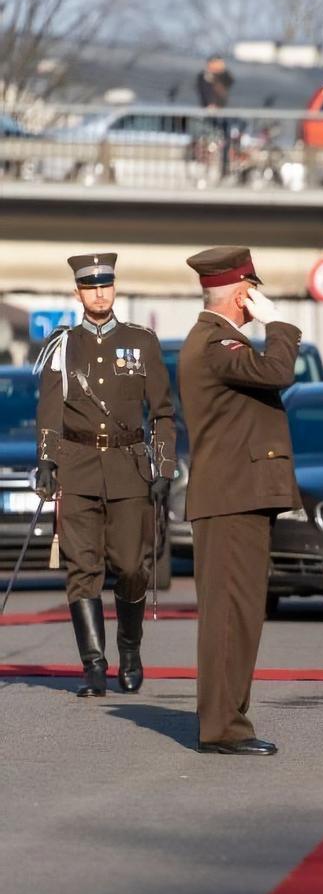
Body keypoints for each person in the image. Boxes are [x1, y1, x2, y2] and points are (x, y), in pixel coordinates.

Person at [33, 253, 178, 697]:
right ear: (78, 293)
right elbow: (50, 412)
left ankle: (129, 649)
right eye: (91, 287)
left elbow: (164, 412)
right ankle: (93, 666)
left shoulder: (142, 342)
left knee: (132, 567)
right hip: (77, 468)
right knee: (82, 568)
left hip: (128, 468)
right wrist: (46, 461)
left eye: (106, 286)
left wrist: (165, 466)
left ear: (113, 289)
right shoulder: (62, 345)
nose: (99, 293)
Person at [179, 246, 300, 755]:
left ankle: (228, 718)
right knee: (231, 616)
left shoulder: (219, 341)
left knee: (241, 614)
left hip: (236, 496)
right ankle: (223, 728)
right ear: (242, 294)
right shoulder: (215, 344)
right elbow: (278, 371)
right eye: (254, 293)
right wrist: (279, 325)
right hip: (230, 498)